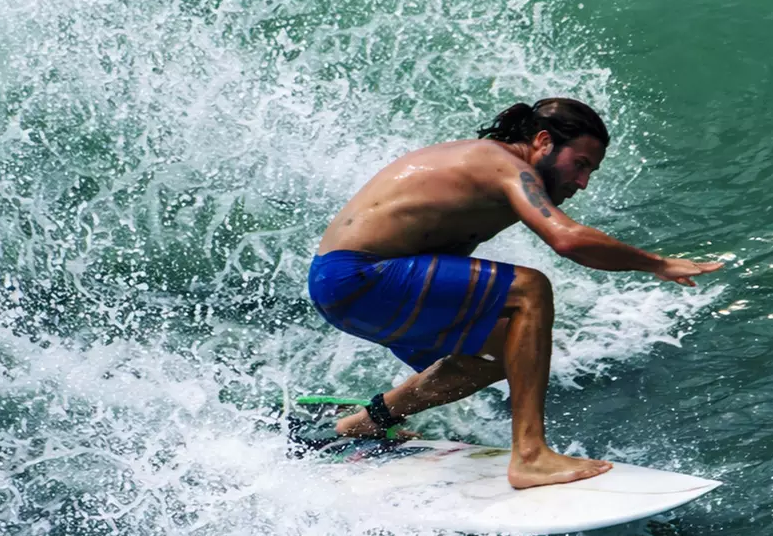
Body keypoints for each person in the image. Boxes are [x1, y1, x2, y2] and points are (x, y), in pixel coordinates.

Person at [308, 98, 722, 488]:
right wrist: (658, 264)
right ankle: (530, 454)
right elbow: (568, 240)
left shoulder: (494, 169)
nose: (582, 182)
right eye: (580, 165)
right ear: (543, 141)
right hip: (358, 276)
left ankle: (366, 421)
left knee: (501, 355)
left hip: (351, 289)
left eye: (591, 172)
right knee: (530, 289)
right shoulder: (503, 164)